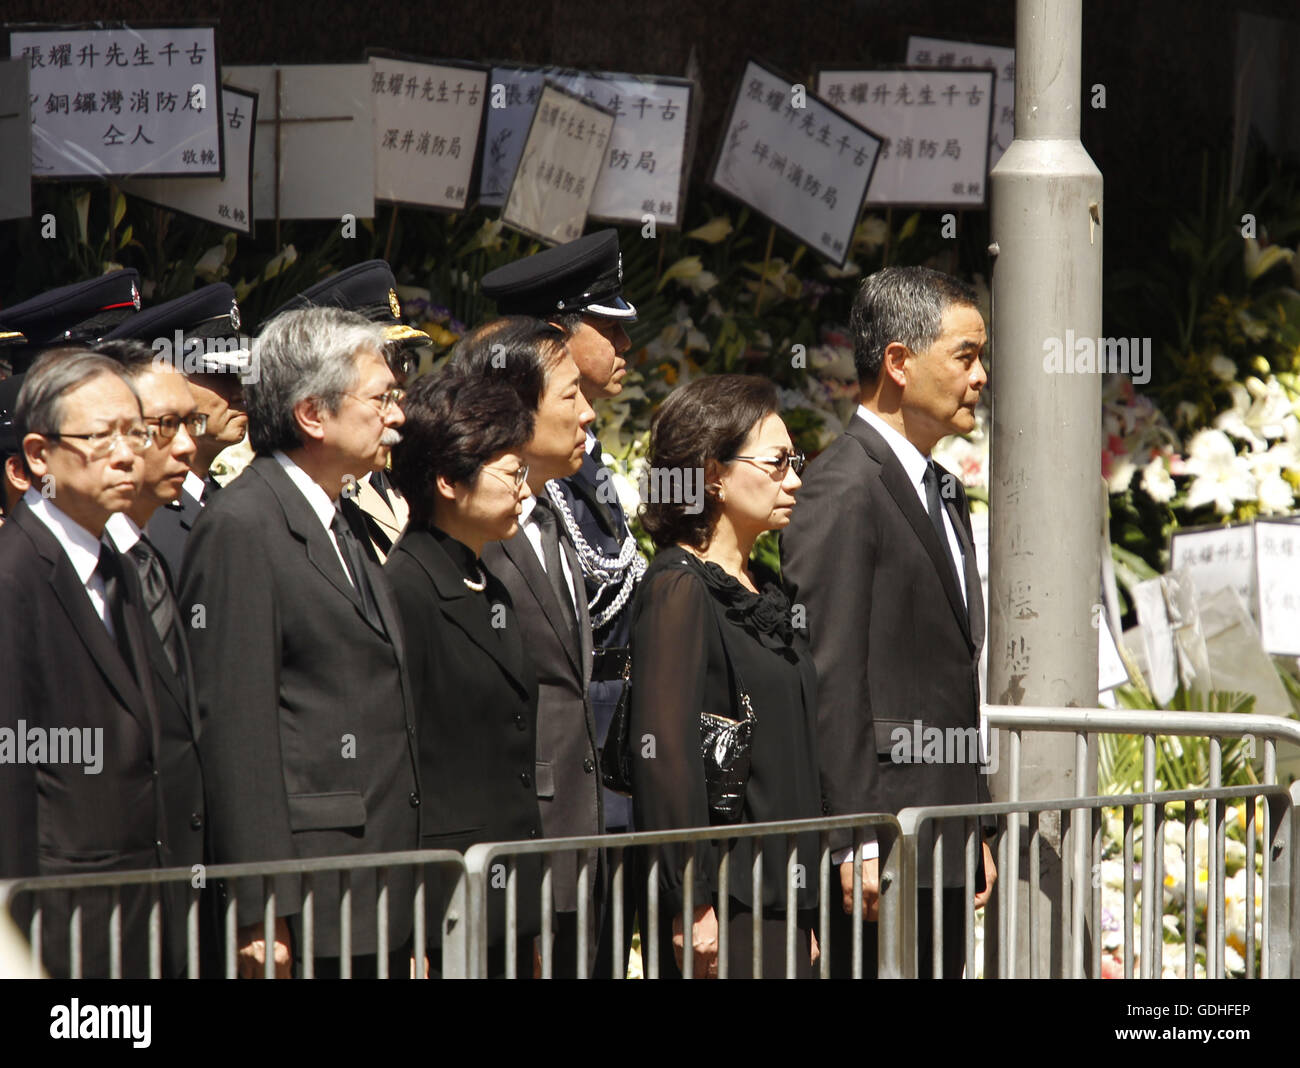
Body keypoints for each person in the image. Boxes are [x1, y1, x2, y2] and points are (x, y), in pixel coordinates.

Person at [180, 306, 421, 979]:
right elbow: (234, 727)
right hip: (310, 902)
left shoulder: (336, 515)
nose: (395, 417)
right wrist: (259, 909)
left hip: (376, 889)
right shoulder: (244, 526)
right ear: (314, 414)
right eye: (380, 399)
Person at [781, 265, 997, 978]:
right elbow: (828, 670)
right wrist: (855, 837)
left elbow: (950, 671)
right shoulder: (842, 489)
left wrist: (978, 821)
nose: (981, 376)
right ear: (899, 363)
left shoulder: (941, 487)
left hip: (943, 832)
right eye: (965, 356)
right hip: (881, 844)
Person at [482, 231, 648, 975]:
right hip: (540, 786)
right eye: (607, 329)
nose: (624, 346)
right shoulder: (499, 481)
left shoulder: (585, 456)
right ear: (555, 333)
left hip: (603, 762)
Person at [0, 348, 194, 977]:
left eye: (134, 433)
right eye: (99, 436)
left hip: (142, 915)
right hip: (60, 925)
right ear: (38, 455)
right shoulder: (14, 577)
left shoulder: (121, 564)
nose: (125, 454)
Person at [630, 374, 822, 979]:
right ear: (713, 474)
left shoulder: (763, 589)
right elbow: (666, 759)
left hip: (783, 897)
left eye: (797, 461)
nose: (794, 479)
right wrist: (693, 904)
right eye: (777, 463)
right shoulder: (678, 586)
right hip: (725, 904)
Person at [447, 316, 602, 977]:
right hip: (513, 852)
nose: (590, 413)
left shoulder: (553, 514)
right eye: (571, 395)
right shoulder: (470, 535)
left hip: (579, 843)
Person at [385, 371, 544, 978]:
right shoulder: (406, 590)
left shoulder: (487, 582)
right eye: (512, 474)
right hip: (446, 902)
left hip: (503, 896)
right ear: (448, 480)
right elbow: (401, 767)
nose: (524, 493)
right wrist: (413, 924)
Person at [95, 339, 209, 965]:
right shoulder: (75, 569)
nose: (188, 448)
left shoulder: (155, 558)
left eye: (191, 424)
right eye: (165, 428)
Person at [267, 260, 432, 561]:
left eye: (402, 360)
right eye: (383, 359)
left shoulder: (393, 469)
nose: (397, 378)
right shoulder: (261, 514)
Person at [108, 283, 251, 579]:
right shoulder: (145, 516)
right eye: (219, 373)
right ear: (170, 382)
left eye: (237, 375)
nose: (239, 392)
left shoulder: (216, 500)